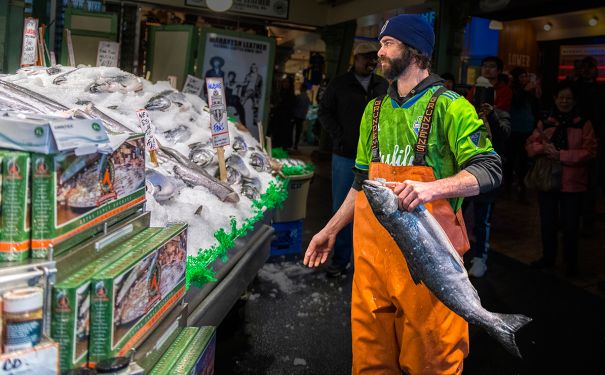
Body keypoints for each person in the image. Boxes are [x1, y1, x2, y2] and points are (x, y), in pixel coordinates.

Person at [305, 14, 502, 374]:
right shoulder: (374, 110)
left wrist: (432, 188)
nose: (378, 51)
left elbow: (489, 169)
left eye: (387, 43)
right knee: (370, 363)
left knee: (432, 361)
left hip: (430, 274)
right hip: (372, 272)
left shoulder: (451, 107)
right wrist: (331, 229)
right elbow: (360, 185)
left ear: (414, 51)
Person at [318, 41, 388, 277]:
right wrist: (339, 136)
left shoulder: (383, 85)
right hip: (346, 155)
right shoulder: (339, 84)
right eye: (366, 57)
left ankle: (366, 264)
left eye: (374, 58)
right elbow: (324, 112)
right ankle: (339, 260)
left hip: (377, 160)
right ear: (355, 59)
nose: (371, 62)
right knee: (342, 209)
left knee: (374, 211)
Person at [526, 81, 597, 277]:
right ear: (555, 99)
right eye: (561, 97)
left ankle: (570, 264)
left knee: (571, 226)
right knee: (547, 222)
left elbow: (590, 152)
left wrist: (562, 155)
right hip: (547, 181)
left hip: (573, 183)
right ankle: (548, 258)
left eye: (568, 98)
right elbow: (530, 145)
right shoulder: (546, 120)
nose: (564, 101)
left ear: (574, 101)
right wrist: (543, 149)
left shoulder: (583, 123)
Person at [463, 56, 512, 278]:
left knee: (483, 218)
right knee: (459, 213)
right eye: (479, 92)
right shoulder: (466, 111)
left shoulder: (501, 111)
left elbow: (504, 136)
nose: (481, 96)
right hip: (465, 167)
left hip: (489, 170)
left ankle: (480, 258)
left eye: (492, 67)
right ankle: (458, 252)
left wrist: (490, 113)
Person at [506, 67, 538, 201]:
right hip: (514, 129)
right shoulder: (512, 90)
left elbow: (535, 107)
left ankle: (522, 188)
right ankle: (507, 188)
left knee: (524, 161)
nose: (525, 79)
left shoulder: (530, 90)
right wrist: (525, 91)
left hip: (527, 129)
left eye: (526, 76)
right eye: (522, 76)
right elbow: (516, 103)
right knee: (511, 159)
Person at [267, 76, 295, 149]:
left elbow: (290, 107)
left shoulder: (291, 95)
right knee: (276, 135)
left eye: (287, 82)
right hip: (278, 117)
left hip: (286, 119)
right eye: (284, 82)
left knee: (284, 136)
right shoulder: (280, 93)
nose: (285, 84)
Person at [292, 84, 311, 150]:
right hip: (302, 116)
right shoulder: (307, 98)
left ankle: (292, 144)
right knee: (298, 131)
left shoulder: (299, 97)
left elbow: (294, 105)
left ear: (302, 88)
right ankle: (295, 145)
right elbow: (307, 108)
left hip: (296, 115)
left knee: (293, 130)